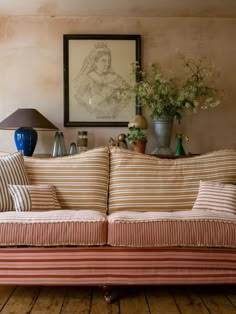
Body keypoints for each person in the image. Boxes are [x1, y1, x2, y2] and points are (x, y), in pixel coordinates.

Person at [73, 42, 130, 117]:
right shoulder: (86, 80)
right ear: (94, 62)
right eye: (103, 61)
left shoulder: (115, 78)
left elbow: (126, 98)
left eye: (108, 61)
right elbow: (83, 104)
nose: (107, 64)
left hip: (114, 116)